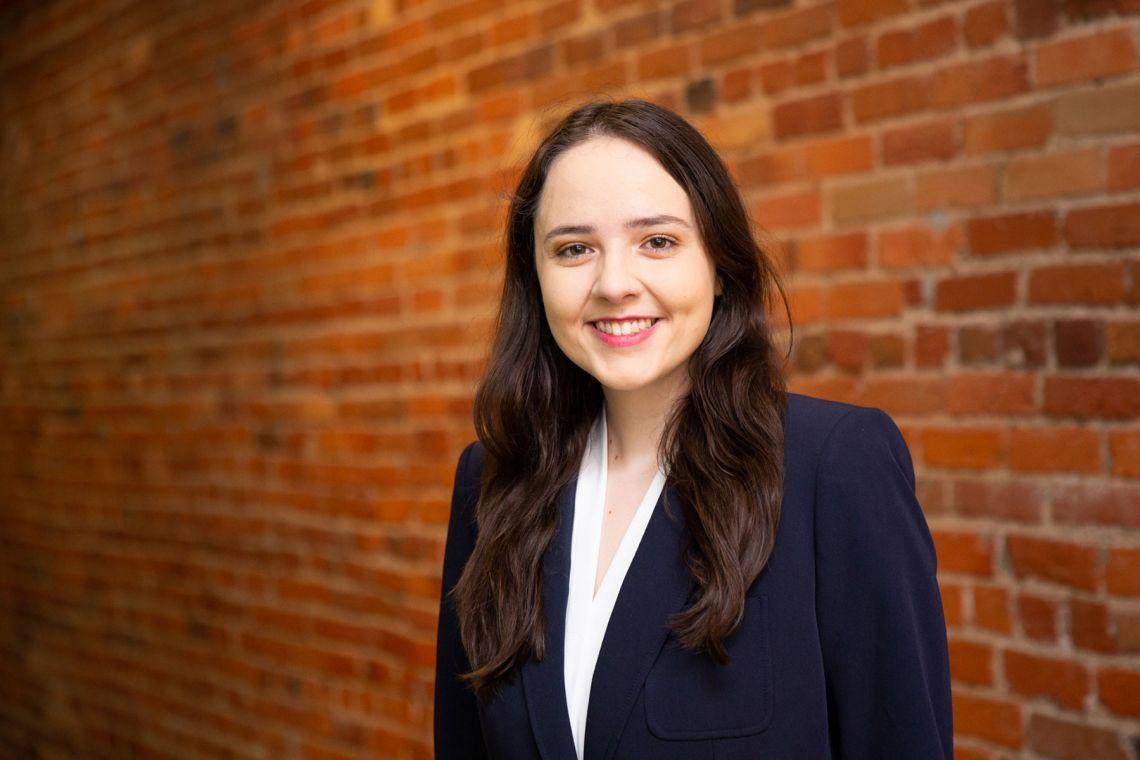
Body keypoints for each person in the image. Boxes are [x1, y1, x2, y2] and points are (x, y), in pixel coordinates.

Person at [434, 97, 953, 760]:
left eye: (658, 241)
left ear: (720, 265)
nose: (614, 283)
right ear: (534, 279)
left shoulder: (835, 468)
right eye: (574, 249)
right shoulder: (493, 478)